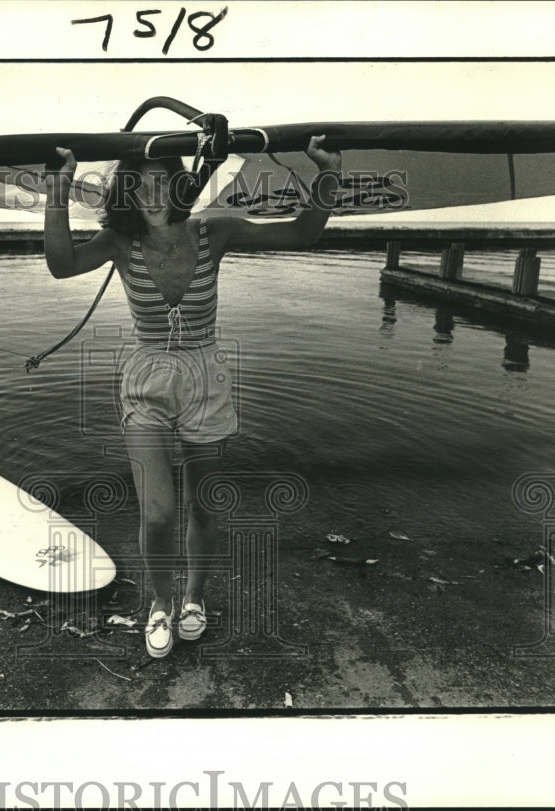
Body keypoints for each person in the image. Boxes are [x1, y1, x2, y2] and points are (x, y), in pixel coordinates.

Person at [44, 136, 341, 658]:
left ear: (180, 184)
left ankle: (193, 600)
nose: (153, 195)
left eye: (163, 181)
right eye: (140, 185)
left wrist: (328, 173)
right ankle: (160, 603)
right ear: (127, 193)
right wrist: (59, 187)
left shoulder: (213, 230)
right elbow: (61, 264)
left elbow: (304, 232)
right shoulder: (119, 241)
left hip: (206, 378)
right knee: (158, 512)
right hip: (147, 381)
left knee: (204, 507)